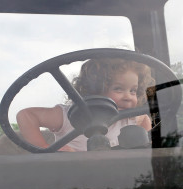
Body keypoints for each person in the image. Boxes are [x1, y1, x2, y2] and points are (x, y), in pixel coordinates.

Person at [16, 58, 155, 152]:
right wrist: (44, 148)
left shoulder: (129, 119)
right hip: (72, 177)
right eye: (118, 89)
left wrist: (143, 144)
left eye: (133, 91)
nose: (128, 97)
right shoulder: (67, 116)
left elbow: (144, 119)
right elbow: (26, 115)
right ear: (94, 89)